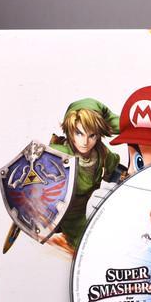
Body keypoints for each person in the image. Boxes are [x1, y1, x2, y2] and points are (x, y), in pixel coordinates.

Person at [49, 98, 125, 252]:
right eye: (79, 133)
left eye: (92, 135)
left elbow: (117, 173)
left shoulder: (102, 154)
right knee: (88, 246)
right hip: (69, 214)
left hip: (92, 209)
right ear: (70, 130)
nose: (85, 142)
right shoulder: (57, 154)